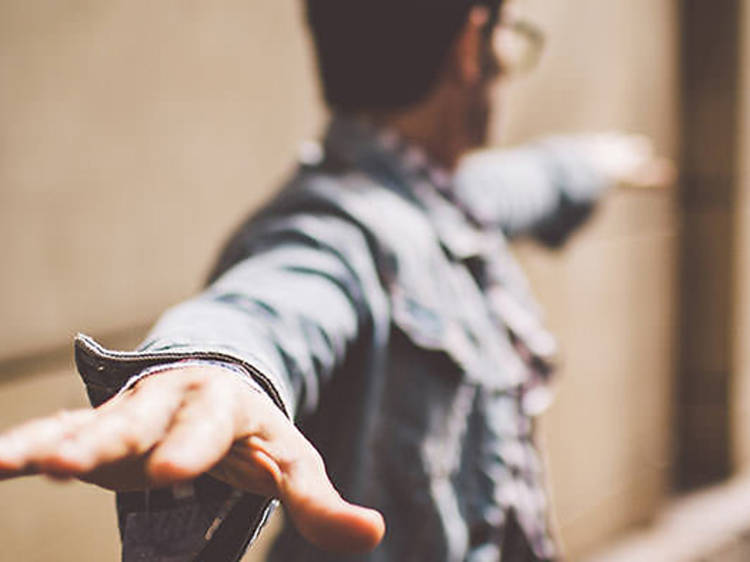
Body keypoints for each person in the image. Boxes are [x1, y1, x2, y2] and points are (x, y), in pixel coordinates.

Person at [0, 1, 669, 560]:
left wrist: (596, 163)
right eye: (508, 37)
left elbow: (530, 181)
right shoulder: (339, 227)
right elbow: (271, 301)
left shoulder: (448, 196)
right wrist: (217, 367)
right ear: (471, 45)